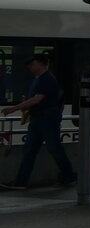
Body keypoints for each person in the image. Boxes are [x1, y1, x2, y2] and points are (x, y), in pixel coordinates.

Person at [0, 55, 76, 190]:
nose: (30, 67)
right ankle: (21, 181)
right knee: (31, 150)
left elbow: (37, 99)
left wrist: (14, 108)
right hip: (38, 119)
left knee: (52, 148)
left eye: (32, 64)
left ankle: (68, 176)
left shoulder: (46, 79)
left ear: (41, 64)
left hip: (47, 119)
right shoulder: (38, 79)